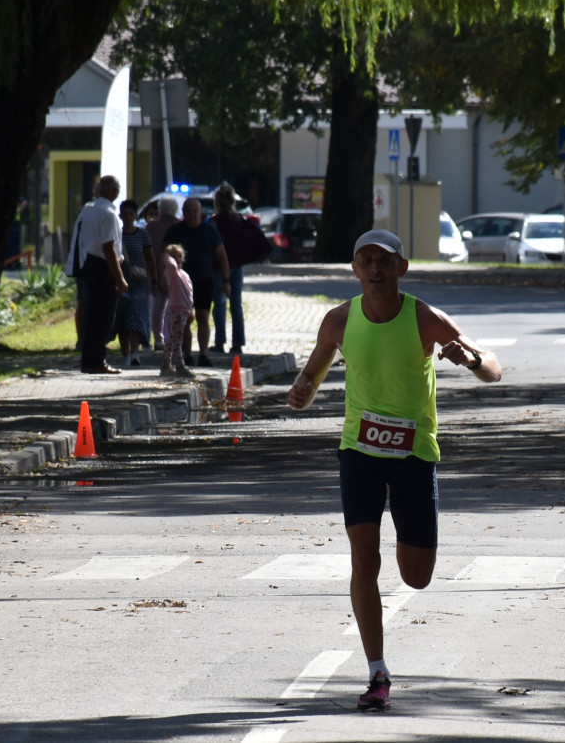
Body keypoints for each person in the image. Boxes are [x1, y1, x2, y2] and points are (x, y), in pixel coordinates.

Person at [287, 229, 502, 711]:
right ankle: (376, 671)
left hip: (413, 456)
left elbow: (493, 368)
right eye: (366, 260)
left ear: (401, 268)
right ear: (355, 270)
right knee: (364, 558)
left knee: (417, 576)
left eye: (385, 261)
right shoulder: (339, 320)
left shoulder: (424, 318)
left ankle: (387, 642)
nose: (376, 269)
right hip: (358, 452)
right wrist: (301, 392)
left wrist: (471, 361)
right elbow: (312, 375)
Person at [163, 197, 230, 366]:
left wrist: (226, 280)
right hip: (181, 284)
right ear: (183, 213)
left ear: (200, 213)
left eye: (195, 211)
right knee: (184, 319)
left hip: (204, 281)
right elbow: (161, 255)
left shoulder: (209, 231)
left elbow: (222, 256)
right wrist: (160, 279)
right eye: (189, 211)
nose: (192, 215)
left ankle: (204, 354)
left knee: (203, 317)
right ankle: (187, 354)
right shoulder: (175, 231)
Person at [210, 183, 272, 355]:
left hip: (219, 269)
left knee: (220, 305)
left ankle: (219, 342)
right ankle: (237, 344)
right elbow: (258, 237)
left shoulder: (214, 223)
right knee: (236, 305)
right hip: (237, 267)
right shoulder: (240, 221)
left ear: (217, 202)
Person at [79, 175, 128, 374]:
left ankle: (89, 359)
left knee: (93, 316)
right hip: (103, 266)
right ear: (114, 192)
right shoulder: (109, 214)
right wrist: (120, 278)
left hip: (90, 262)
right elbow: (109, 248)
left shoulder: (89, 209)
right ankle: (97, 361)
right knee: (104, 316)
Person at [112, 199, 157, 365]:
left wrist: (155, 279)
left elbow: (150, 257)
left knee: (136, 316)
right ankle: (125, 354)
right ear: (120, 215)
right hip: (120, 279)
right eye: (125, 214)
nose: (128, 217)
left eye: (131, 214)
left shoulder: (142, 234)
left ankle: (134, 353)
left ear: (136, 215)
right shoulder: (116, 234)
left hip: (139, 281)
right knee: (122, 319)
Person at [144, 196, 181, 351]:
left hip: (154, 270)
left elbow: (146, 251)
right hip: (176, 271)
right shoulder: (181, 225)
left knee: (156, 308)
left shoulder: (151, 227)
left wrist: (153, 275)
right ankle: (171, 336)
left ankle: (158, 337)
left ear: (160, 209)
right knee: (174, 306)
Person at [160, 244, 195, 379]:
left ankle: (165, 365)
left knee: (172, 339)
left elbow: (189, 293)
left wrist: (190, 309)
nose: (177, 259)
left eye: (180, 256)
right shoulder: (172, 272)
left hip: (184, 310)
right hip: (176, 309)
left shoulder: (183, 274)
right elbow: (170, 264)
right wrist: (168, 255)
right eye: (174, 257)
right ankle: (179, 366)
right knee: (177, 339)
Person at [65, 197, 89, 350]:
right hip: (84, 267)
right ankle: (81, 339)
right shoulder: (86, 216)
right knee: (83, 301)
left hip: (86, 266)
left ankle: (88, 339)